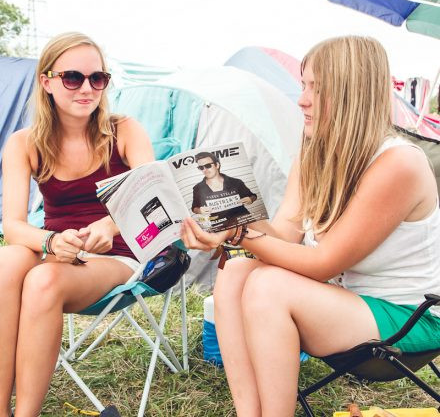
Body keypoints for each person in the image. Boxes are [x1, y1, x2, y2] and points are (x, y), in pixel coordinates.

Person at [181, 36, 440, 417]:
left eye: (317, 89)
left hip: (407, 320)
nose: (301, 99)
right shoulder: (315, 150)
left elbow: (324, 263)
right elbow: (285, 232)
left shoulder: (399, 164)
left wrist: (241, 235)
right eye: (303, 85)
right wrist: (225, 221)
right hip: (344, 306)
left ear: (354, 94)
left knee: (269, 285)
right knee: (235, 271)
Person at [0, 32, 154, 417]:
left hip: (121, 253)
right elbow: (13, 226)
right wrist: (51, 241)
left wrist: (110, 225)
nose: (87, 88)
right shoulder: (25, 143)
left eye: (97, 78)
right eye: (73, 78)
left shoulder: (124, 131)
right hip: (62, 249)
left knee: (42, 280)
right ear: (47, 81)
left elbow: (156, 200)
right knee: (7, 264)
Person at [191, 151, 257, 229]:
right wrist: (200, 211)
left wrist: (250, 199)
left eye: (208, 166)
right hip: (222, 228)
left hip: (245, 223)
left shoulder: (236, 182)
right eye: (201, 167)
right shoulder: (198, 188)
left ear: (217, 165)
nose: (204, 170)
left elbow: (253, 196)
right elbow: (194, 208)